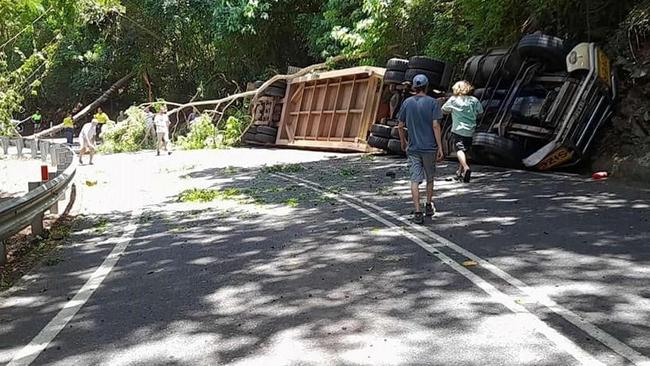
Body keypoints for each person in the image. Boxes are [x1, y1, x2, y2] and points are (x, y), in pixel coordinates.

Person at [397, 74, 444, 224]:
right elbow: (436, 125)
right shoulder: (433, 103)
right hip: (429, 148)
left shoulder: (407, 103)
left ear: (414, 87)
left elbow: (400, 125)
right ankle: (428, 205)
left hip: (413, 148)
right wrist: (440, 147)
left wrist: (403, 141)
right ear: (427, 86)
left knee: (414, 180)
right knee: (430, 178)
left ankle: (417, 211)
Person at [441, 80, 483, 183]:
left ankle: (466, 167)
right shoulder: (474, 100)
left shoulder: (453, 100)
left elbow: (443, 110)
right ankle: (460, 172)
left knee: (459, 150)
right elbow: (480, 111)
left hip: (458, 129)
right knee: (464, 150)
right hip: (470, 129)